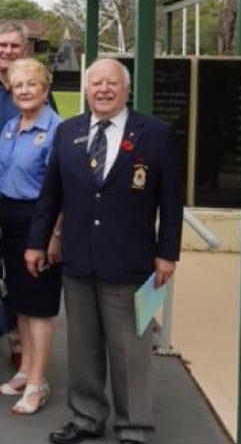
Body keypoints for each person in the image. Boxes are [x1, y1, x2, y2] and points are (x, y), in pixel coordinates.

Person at [28, 58, 183, 444]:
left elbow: (172, 201)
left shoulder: (156, 134)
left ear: (126, 89)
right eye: (95, 83)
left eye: (111, 83)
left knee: (131, 348)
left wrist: (167, 254)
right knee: (82, 347)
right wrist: (36, 242)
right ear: (86, 89)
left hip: (131, 261)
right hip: (78, 258)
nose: (102, 90)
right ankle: (86, 417)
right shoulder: (68, 132)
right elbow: (50, 196)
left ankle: (134, 427)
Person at [0, 58, 62, 414]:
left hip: (40, 222)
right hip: (10, 222)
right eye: (18, 86)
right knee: (20, 302)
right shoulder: (10, 127)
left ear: (45, 89)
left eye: (32, 84)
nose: (25, 91)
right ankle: (25, 370)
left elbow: (62, 190)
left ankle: (38, 383)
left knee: (40, 306)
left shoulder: (58, 130)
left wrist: (53, 236)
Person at [0, 22, 44, 368]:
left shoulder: (33, 87)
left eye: (14, 46)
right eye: (1, 45)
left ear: (24, 49)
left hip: (22, 202)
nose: (7, 52)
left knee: (18, 273)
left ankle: (19, 344)